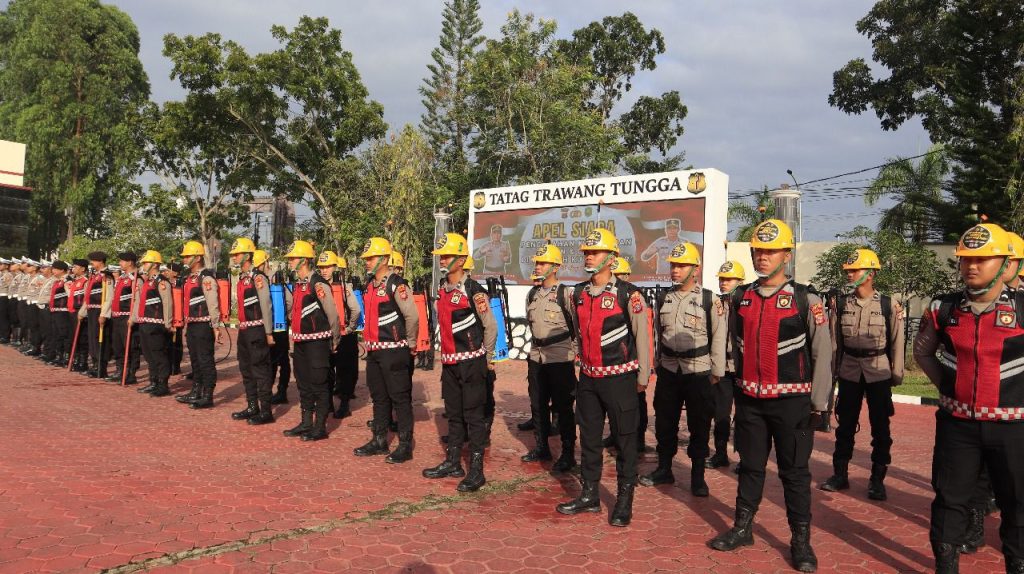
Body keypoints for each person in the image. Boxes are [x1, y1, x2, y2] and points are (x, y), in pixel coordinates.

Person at [708, 219, 831, 573]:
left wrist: (819, 404)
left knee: (795, 473)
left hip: (794, 404)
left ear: (787, 255)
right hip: (750, 401)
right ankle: (742, 527)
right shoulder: (740, 297)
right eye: (758, 251)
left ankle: (800, 541)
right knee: (750, 467)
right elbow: (734, 344)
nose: (762, 257)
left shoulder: (806, 299)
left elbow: (822, 352)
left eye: (771, 251)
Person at [915, 222, 1024, 574]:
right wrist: (949, 388)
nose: (971, 266)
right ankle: (946, 566)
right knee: (949, 501)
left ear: (1005, 264)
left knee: (1017, 505)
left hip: (1013, 428)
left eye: (981, 259)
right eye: (966, 259)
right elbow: (923, 352)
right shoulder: (943, 307)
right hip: (957, 426)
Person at [556, 228, 651, 527]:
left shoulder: (629, 295)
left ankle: (624, 500)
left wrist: (643, 376)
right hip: (588, 379)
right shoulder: (578, 294)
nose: (588, 256)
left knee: (625, 440)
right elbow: (576, 331)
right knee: (589, 439)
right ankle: (589, 495)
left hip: (621, 379)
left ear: (611, 258)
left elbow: (643, 337)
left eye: (594, 252)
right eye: (586, 252)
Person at [640, 242, 726, 497]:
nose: (675, 270)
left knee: (700, 425)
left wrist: (716, 372)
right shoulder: (663, 298)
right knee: (665, 422)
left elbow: (719, 337)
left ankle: (697, 477)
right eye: (673, 265)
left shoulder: (709, 299)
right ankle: (664, 469)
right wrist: (657, 362)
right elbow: (658, 332)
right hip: (669, 370)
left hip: (698, 371)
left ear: (695, 269)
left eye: (681, 266)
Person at [819, 248, 904, 501]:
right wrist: (833, 372)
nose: (850, 274)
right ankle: (840, 474)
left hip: (878, 371)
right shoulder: (841, 304)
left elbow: (897, 342)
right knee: (845, 426)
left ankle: (877, 480)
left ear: (871, 273)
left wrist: (896, 375)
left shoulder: (888, 304)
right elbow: (835, 342)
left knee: (881, 428)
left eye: (855, 270)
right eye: (848, 270)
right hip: (849, 370)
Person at [423, 233, 497, 491]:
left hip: (472, 363)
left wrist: (487, 358)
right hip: (450, 364)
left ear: (462, 260)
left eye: (447, 256)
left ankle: (476, 471)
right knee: (453, 414)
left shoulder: (474, 291)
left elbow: (490, 327)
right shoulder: (442, 290)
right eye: (441, 256)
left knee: (474, 416)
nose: (442, 260)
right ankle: (453, 462)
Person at [353, 238, 419, 461]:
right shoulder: (370, 285)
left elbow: (412, 316)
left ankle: (405, 445)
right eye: (366, 258)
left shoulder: (396, 284)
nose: (366, 262)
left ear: (383, 259)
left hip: (394, 350)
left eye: (370, 258)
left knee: (400, 398)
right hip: (374, 352)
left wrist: (411, 343)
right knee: (379, 397)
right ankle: (379, 440)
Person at [521, 243, 577, 472]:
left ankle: (568, 453)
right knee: (538, 404)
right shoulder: (532, 294)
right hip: (536, 357)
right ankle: (541, 446)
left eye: (543, 263)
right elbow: (531, 323)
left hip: (560, 358)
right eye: (537, 262)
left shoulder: (566, 294)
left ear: (555, 267)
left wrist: (574, 352)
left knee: (564, 407)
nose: (538, 266)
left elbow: (576, 326)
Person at [282, 240, 340, 441]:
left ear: (304, 260)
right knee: (303, 383)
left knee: (319, 384)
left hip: (317, 342)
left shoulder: (318, 283)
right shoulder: (299, 284)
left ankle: (320, 426)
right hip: (300, 342)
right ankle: (306, 422)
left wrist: (335, 338)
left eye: (293, 258)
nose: (290, 262)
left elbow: (332, 313)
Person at [602, 257, 649, 453]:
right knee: (614, 404)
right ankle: (615, 435)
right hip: (615, 362)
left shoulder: (633, 296)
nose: (616, 278)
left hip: (632, 359)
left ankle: (638, 438)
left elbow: (642, 335)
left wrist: (644, 369)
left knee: (636, 402)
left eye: (620, 275)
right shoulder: (606, 296)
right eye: (614, 274)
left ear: (628, 276)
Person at [229, 238, 277, 425]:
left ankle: (265, 411)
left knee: (260, 370)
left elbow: (266, 305)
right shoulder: (242, 278)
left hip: (257, 329)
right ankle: (252, 406)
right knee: (246, 369)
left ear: (247, 256)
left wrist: (268, 332)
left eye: (237, 254)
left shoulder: (258, 278)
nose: (234, 257)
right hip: (244, 330)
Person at [707, 260, 745, 469]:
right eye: (722, 279)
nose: (724, 283)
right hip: (722, 367)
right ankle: (720, 453)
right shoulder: (716, 304)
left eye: (729, 279)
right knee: (720, 413)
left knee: (744, 416)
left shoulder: (747, 305)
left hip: (742, 368)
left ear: (740, 281)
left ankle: (744, 458)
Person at [177, 241, 223, 409]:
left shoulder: (206, 278)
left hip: (204, 325)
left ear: (197, 258)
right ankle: (196, 391)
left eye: (187, 256)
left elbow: (212, 303)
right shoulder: (190, 278)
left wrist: (216, 326)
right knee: (195, 360)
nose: (184, 259)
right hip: (192, 325)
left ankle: (208, 395)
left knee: (205, 361)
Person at [316, 250, 362, 419]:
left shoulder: (343, 288)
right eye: (322, 267)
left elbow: (356, 310)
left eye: (328, 267)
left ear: (335, 267)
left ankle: (343, 404)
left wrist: (349, 328)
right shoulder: (320, 286)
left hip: (343, 335)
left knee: (343, 372)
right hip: (327, 335)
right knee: (327, 371)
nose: (324, 270)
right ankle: (330, 403)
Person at [131, 250, 174, 397]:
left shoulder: (161, 281)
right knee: (149, 355)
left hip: (156, 323)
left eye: (146, 263)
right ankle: (153, 381)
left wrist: (168, 322)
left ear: (155, 264)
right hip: (145, 322)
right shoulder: (148, 281)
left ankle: (163, 384)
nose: (143, 265)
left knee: (158, 354)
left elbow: (167, 303)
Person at [78, 252, 113, 377]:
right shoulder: (94, 276)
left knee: (100, 338)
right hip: (92, 311)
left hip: (100, 310)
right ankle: (94, 364)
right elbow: (88, 296)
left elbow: (109, 297)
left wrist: (104, 314)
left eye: (93, 260)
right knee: (92, 338)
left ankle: (101, 367)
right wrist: (82, 312)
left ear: (100, 261)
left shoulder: (106, 276)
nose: (91, 263)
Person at [107, 252, 141, 385]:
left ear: (130, 262)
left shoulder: (136, 278)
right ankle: (120, 370)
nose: (120, 263)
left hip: (127, 316)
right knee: (118, 346)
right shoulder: (122, 278)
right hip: (117, 316)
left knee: (130, 346)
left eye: (122, 261)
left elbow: (138, 300)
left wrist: (133, 317)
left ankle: (131, 373)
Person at [64, 259, 89, 372]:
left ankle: (83, 362)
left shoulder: (85, 281)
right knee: (74, 337)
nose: (73, 269)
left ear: (83, 269)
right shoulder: (75, 281)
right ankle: (77, 359)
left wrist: (82, 312)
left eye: (75, 267)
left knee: (82, 338)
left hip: (80, 313)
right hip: (72, 312)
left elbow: (86, 299)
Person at [44, 261, 70, 366]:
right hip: (55, 310)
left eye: (55, 269)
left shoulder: (67, 280)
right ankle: (59, 356)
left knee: (64, 334)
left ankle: (66, 357)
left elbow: (70, 295)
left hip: (63, 311)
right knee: (57, 334)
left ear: (62, 270)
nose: (53, 271)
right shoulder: (57, 281)